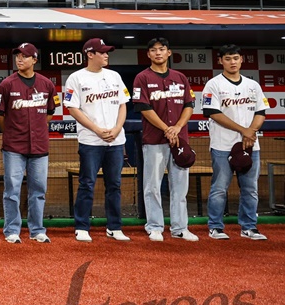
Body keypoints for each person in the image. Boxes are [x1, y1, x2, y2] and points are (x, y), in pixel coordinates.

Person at [64, 38, 131, 242]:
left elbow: (123, 104)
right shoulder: (76, 78)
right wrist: (96, 129)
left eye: (107, 52)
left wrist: (118, 128)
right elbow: (72, 108)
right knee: (87, 183)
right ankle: (82, 226)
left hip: (116, 140)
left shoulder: (115, 76)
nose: (106, 55)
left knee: (115, 184)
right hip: (91, 141)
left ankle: (114, 226)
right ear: (90, 54)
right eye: (102, 52)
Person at [0, 43, 58, 244]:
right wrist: (12, 132)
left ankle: (37, 229)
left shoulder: (47, 84)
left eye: (25, 56)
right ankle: (12, 230)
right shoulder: (7, 84)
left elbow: (49, 112)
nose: (20, 59)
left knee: (38, 190)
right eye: (18, 56)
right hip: (14, 146)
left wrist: (37, 128)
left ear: (34, 60)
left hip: (39, 146)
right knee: (12, 189)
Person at [132, 37, 197, 242]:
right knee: (152, 185)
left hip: (179, 140)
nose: (158, 53)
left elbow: (189, 105)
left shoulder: (181, 77)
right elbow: (143, 107)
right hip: (154, 140)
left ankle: (180, 227)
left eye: (162, 49)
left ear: (169, 52)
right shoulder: (141, 78)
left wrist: (177, 128)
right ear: (148, 54)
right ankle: (154, 226)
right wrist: (167, 129)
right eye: (153, 50)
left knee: (180, 186)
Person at [202, 44, 269, 240]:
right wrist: (244, 130)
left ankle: (249, 226)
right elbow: (210, 112)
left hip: (250, 145)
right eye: (228, 58)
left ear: (242, 60)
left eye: (236, 58)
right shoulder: (214, 84)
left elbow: (261, 111)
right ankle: (215, 226)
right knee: (220, 188)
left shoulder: (252, 85)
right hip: (223, 144)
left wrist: (251, 132)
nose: (232, 62)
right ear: (221, 61)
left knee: (250, 188)